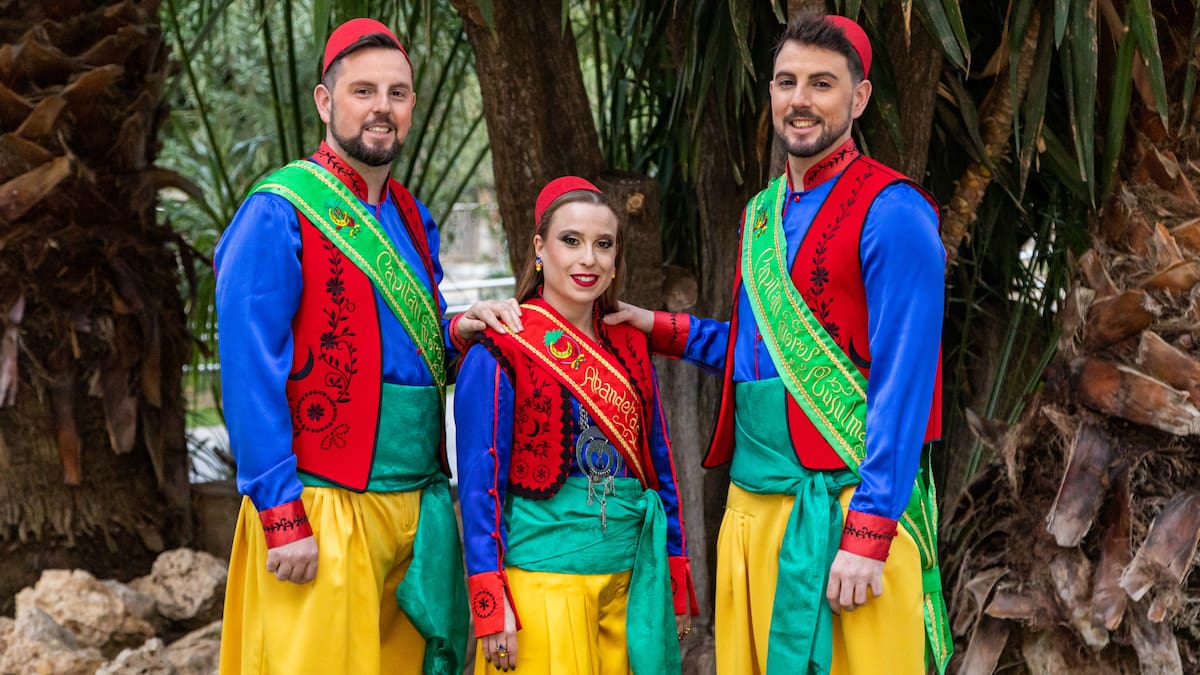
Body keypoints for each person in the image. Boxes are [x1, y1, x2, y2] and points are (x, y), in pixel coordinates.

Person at [607, 13, 952, 675]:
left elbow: (905, 382)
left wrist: (870, 531)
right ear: (770, 92)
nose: (800, 99)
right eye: (787, 81)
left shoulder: (894, 211)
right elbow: (757, 354)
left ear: (859, 98)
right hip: (751, 509)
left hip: (845, 510)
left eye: (822, 83)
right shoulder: (761, 213)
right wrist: (657, 327)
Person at [214, 18, 522, 675]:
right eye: (363, 91)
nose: (382, 107)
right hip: (322, 503)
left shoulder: (411, 214)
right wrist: (281, 514)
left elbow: (407, 346)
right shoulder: (278, 210)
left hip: (418, 504)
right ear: (326, 102)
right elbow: (247, 370)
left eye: (397, 93)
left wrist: (460, 331)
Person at [455, 177, 699, 674]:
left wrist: (675, 575)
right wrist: (491, 601)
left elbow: (660, 467)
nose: (589, 259)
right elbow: (481, 487)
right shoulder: (501, 346)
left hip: (632, 589)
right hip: (544, 591)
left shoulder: (629, 345)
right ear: (539, 248)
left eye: (603, 244)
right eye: (571, 241)